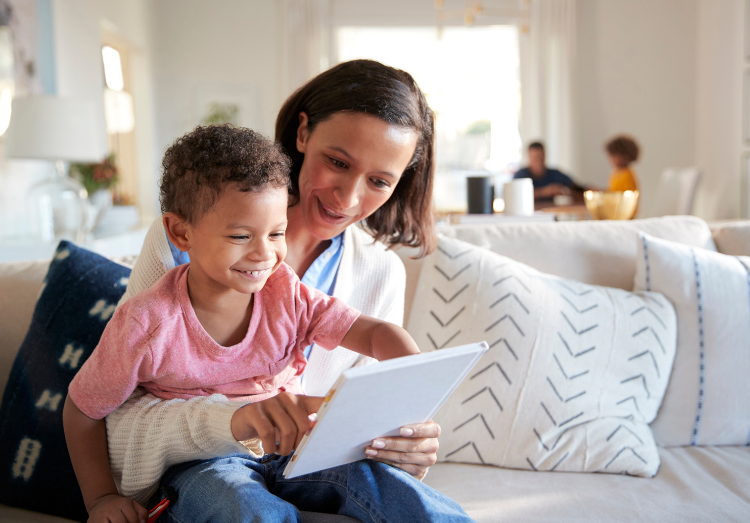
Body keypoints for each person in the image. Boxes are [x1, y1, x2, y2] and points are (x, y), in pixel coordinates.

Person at [100, 60, 472, 521]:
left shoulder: (380, 275)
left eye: (379, 181)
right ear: (302, 134)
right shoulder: (188, 238)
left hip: (310, 470)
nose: (347, 199)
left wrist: (402, 440)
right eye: (337, 162)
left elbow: (359, 420)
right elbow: (115, 421)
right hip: (208, 471)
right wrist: (232, 422)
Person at [513, 141, 585, 200]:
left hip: (551, 213)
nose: (538, 161)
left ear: (544, 155)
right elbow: (515, 195)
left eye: (540, 157)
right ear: (529, 156)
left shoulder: (554, 174)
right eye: (535, 157)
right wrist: (544, 192)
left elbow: (576, 187)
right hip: (528, 216)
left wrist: (566, 191)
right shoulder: (520, 175)